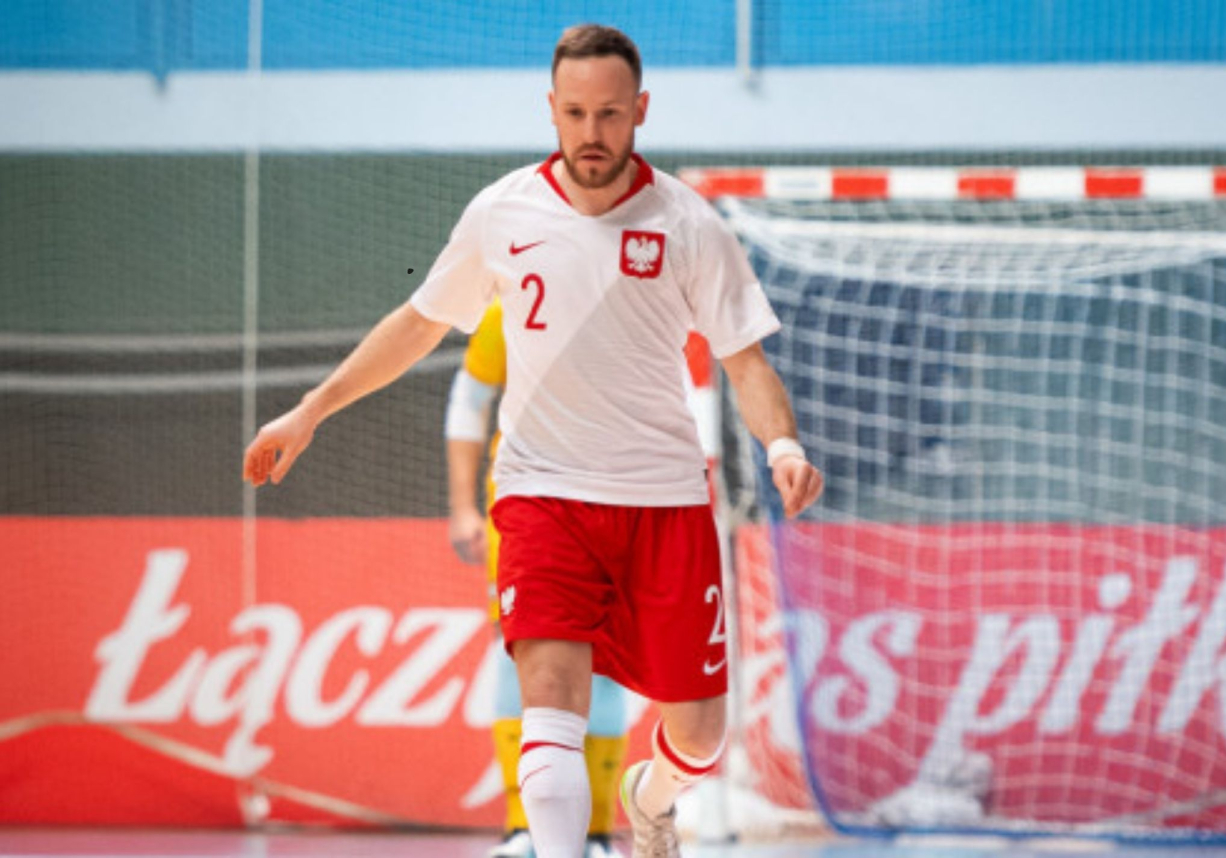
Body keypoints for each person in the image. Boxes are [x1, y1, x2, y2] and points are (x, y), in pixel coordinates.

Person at [242, 23, 823, 858]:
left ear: (640, 111)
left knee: (699, 737)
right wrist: (311, 407)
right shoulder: (503, 212)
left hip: (662, 503)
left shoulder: (690, 225)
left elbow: (747, 362)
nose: (593, 134)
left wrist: (783, 450)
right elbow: (416, 326)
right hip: (542, 495)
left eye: (611, 114)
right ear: (552, 110)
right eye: (577, 113)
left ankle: (647, 797)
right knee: (549, 710)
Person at [446, 298, 626, 858]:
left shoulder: (631, 300)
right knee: (517, 647)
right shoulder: (513, 304)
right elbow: (468, 400)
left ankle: (595, 831)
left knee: (610, 651)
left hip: (618, 495)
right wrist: (461, 507)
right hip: (524, 500)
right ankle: (522, 827)